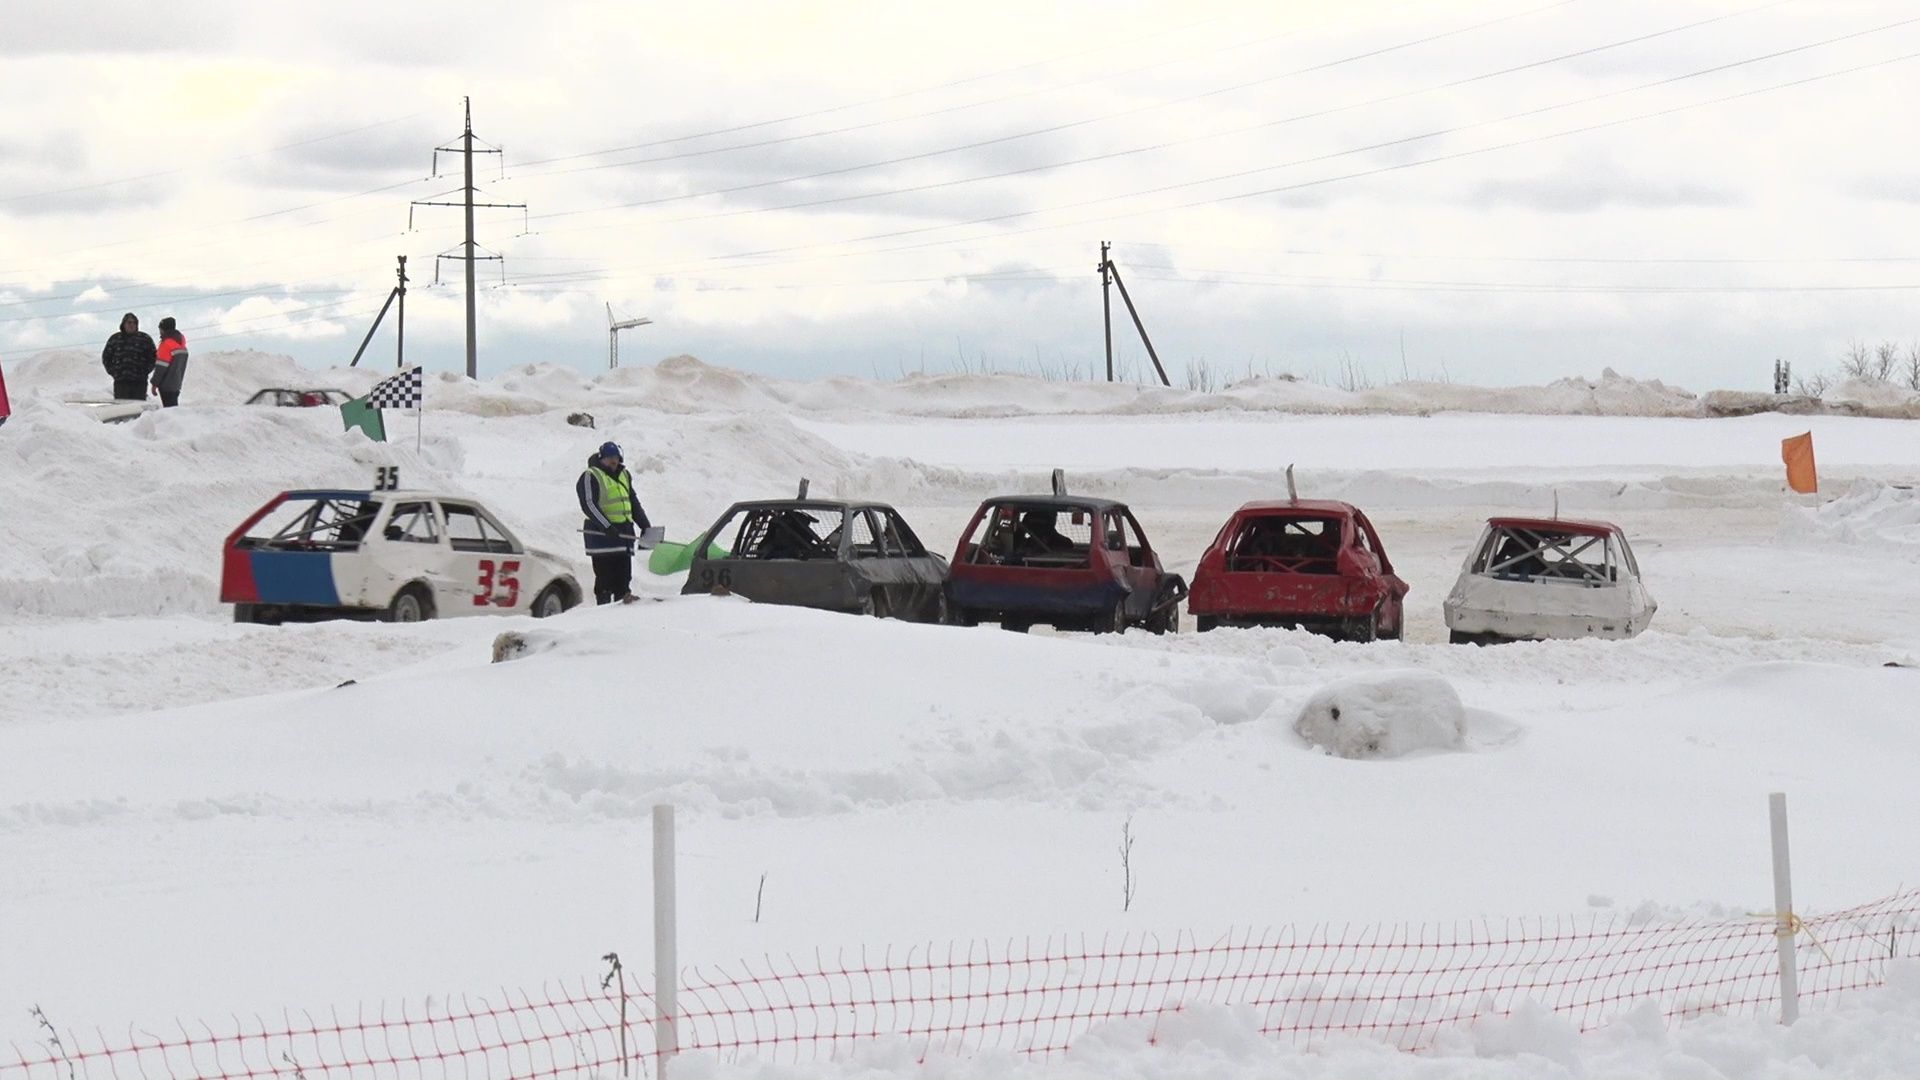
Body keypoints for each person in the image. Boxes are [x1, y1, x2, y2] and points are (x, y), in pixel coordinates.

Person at [576, 441, 651, 604]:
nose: (613, 461)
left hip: (623, 536)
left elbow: (632, 501)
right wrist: (606, 525)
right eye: (609, 458)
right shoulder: (591, 475)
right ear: (601, 458)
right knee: (605, 581)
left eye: (616, 457)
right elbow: (588, 504)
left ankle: (621, 614)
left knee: (624, 581)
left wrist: (645, 525)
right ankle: (603, 614)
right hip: (602, 538)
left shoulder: (624, 475)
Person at [100, 313, 156, 401]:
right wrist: (114, 372)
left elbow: (153, 357)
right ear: (123, 324)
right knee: (122, 410)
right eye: (129, 322)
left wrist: (145, 371)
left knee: (138, 409)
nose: (132, 325)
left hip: (139, 382)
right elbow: (106, 357)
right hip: (121, 382)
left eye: (134, 323)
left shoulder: (145, 339)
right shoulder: (115, 339)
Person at [151, 316, 189, 407]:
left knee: (169, 411)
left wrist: (154, 383)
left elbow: (161, 367)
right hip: (176, 384)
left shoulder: (166, 344)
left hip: (166, 385)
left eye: (160, 329)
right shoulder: (181, 344)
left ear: (163, 329)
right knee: (174, 410)